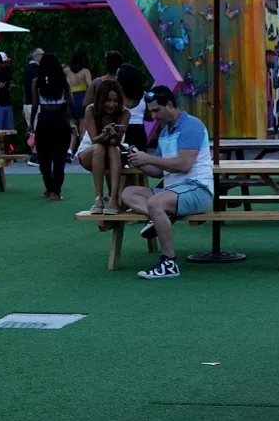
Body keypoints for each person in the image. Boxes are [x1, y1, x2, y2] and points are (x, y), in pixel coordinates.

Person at [121, 86, 214, 280]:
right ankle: (161, 217)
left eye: (156, 110)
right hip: (173, 191)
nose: (153, 116)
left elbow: (184, 165)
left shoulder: (192, 125)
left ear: (170, 105)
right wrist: (139, 162)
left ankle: (169, 262)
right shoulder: (165, 133)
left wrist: (149, 158)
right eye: (151, 111)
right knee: (128, 193)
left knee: (156, 203)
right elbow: (158, 172)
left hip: (198, 189)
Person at [76, 80, 130, 215]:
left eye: (115, 100)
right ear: (100, 98)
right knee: (100, 147)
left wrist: (115, 136)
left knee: (113, 149)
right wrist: (105, 134)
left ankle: (113, 198)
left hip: (112, 154)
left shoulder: (124, 113)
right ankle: (98, 198)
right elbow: (94, 140)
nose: (112, 105)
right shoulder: (91, 109)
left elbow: (115, 143)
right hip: (90, 153)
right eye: (108, 100)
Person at [28, 53, 74, 201]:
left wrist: (31, 122)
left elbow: (35, 105)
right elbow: (71, 101)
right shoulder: (63, 81)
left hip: (44, 120)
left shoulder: (37, 82)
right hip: (61, 120)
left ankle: (49, 188)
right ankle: (56, 192)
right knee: (59, 158)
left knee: (44, 157)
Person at [64, 51, 92, 159]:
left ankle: (70, 150)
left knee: (72, 127)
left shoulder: (66, 70)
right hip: (82, 98)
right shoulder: (85, 71)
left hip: (70, 98)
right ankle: (81, 151)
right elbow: (90, 85)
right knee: (82, 128)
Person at [116, 63, 148, 151]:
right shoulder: (144, 96)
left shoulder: (115, 96)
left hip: (120, 131)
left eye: (118, 76)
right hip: (139, 133)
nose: (115, 78)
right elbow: (150, 117)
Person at [23, 47, 44, 166]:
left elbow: (24, 89)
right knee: (36, 128)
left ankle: (34, 153)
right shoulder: (35, 68)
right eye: (42, 54)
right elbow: (36, 85)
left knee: (32, 128)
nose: (43, 57)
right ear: (35, 56)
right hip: (34, 103)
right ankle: (35, 156)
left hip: (27, 103)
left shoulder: (26, 68)